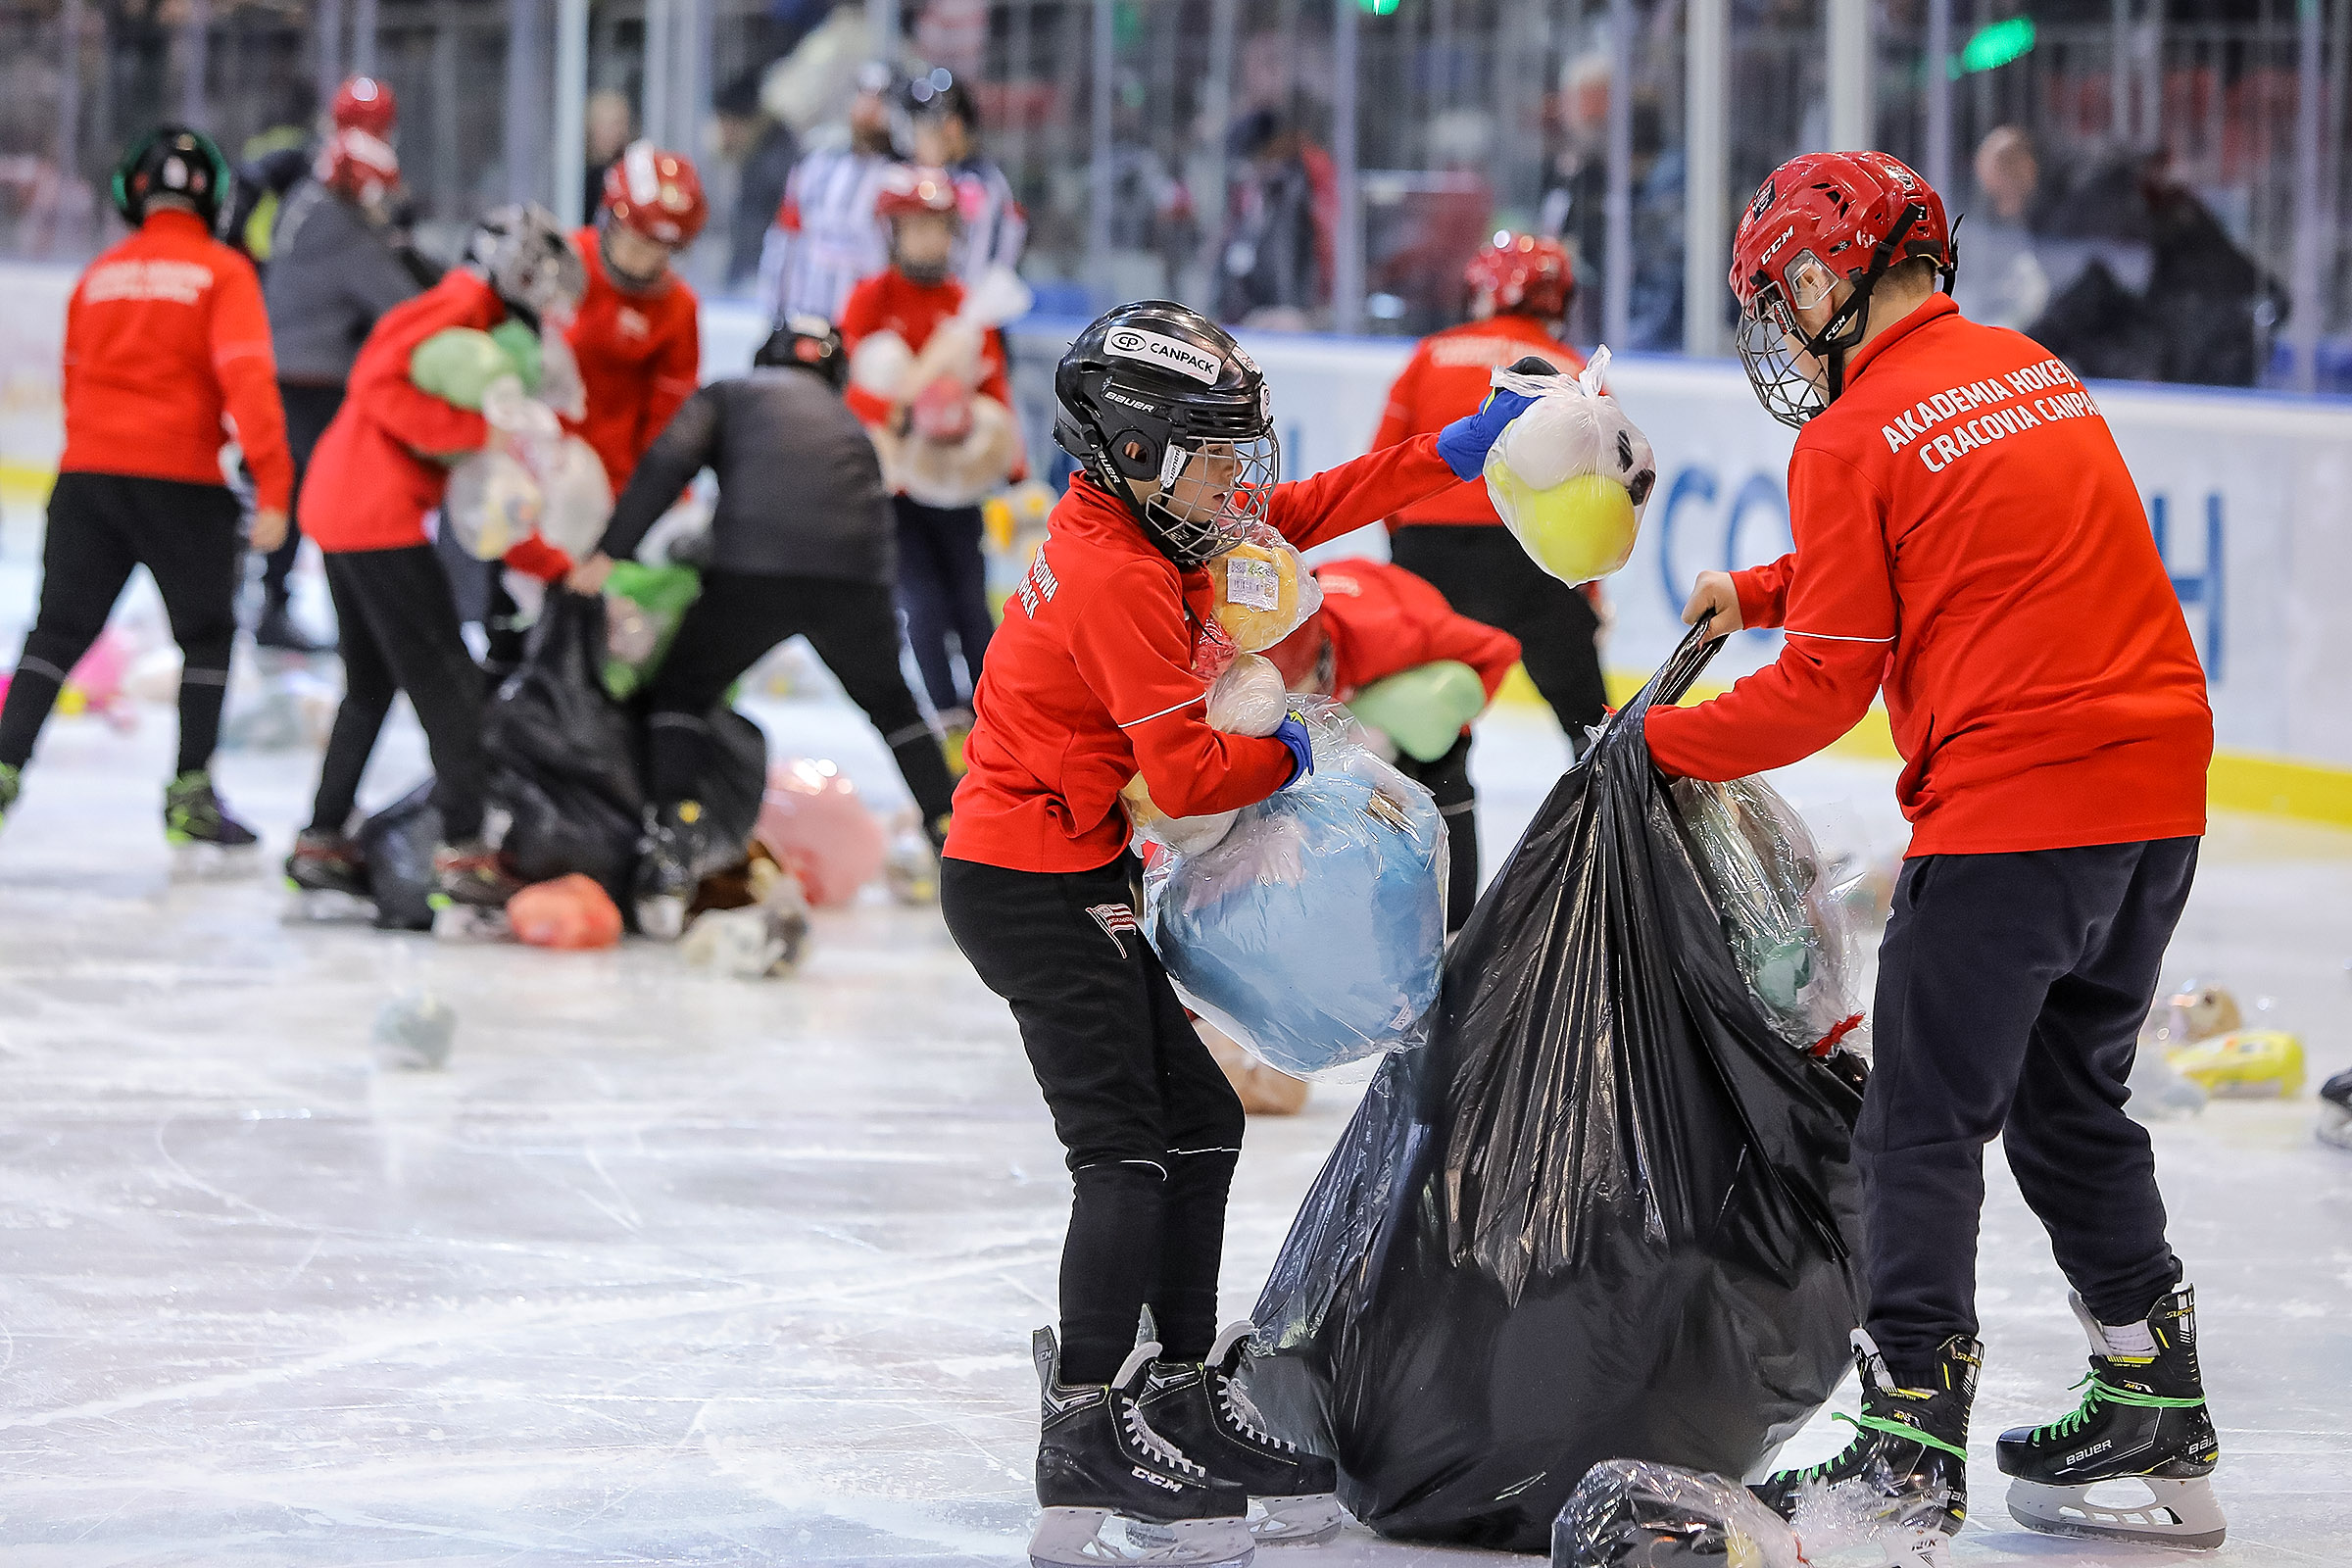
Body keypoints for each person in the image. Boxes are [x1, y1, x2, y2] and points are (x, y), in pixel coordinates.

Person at [1644, 152, 2223, 1552]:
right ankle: (2154, 1390)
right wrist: (1765, 589)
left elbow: (1825, 692)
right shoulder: (2028, 367)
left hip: (2018, 811)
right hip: (2156, 798)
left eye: (1780, 298)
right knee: (2071, 1101)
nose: (1780, 328)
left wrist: (1649, 746)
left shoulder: (1846, 436)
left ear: (1823, 276)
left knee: (1918, 1121)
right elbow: (1957, 545)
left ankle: (1904, 1442)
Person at [938, 300, 1539, 1567]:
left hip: (1066, 862)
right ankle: (1088, 1418)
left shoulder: (1149, 526)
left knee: (1201, 1122)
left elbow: (1313, 505)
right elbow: (1195, 775)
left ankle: (1175, 1395)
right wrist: (1304, 741)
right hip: (1030, 884)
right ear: (1141, 451)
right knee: (1124, 1153)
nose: (1240, 478)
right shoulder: (1118, 575)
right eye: (1215, 454)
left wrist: (1457, 449)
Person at [564, 318, 960, 936]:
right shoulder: (846, 419)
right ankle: (955, 845)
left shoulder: (730, 393)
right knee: (893, 708)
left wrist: (607, 553)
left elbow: (667, 465)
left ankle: (673, 844)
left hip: (753, 568)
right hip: (858, 577)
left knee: (680, 696)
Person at [284, 206, 587, 909]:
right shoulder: (459, 306)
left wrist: (546, 559)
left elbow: (489, 500)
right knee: (448, 681)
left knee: (369, 685)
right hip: (374, 515)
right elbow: (379, 383)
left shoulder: (470, 316)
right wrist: (477, 429)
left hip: (345, 508)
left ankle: (322, 837)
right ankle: (465, 851)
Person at [0, 126, 291, 855]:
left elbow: (71, 385)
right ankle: (191, 794)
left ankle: (3, 771)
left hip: (86, 479)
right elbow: (248, 382)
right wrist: (277, 486)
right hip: (183, 483)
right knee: (207, 635)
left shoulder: (97, 275)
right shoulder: (223, 274)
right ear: (216, 198)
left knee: (56, 633)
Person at [1379, 233, 1608, 751]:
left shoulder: (1430, 355)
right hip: (1534, 560)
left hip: (1429, 553)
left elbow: (1385, 472)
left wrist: (1408, 558)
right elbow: (1602, 499)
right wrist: (1588, 590)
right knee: (1594, 728)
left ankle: (1435, 827)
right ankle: (1608, 828)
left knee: (1426, 731)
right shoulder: (1578, 372)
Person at [838, 166, 1017, 743]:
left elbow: (993, 387)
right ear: (892, 233)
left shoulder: (962, 304)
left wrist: (1011, 464)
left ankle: (993, 710)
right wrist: (895, 410)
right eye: (916, 229)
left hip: (954, 476)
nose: (929, 242)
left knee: (971, 595)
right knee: (923, 600)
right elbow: (848, 385)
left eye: (939, 229)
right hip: (897, 482)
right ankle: (944, 715)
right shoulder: (870, 299)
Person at [1261, 558, 1520, 931]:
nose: (1311, 702)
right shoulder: (1252, 637)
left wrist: (1444, 722)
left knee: (1444, 782)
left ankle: (1456, 928)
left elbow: (1499, 651)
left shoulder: (1396, 632)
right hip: (1354, 675)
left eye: (1315, 687)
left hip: (1410, 677)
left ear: (1325, 654)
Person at [261, 78, 426, 653]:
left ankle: (273, 601)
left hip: (286, 368)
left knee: (296, 488)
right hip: (318, 375)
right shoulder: (346, 228)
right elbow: (404, 305)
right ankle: (353, 618)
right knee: (342, 496)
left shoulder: (305, 196)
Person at [564, 141, 707, 497]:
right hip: (538, 463)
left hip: (619, 482)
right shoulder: (561, 264)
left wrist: (665, 491)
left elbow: (670, 414)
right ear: (611, 218)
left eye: (663, 251)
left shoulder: (678, 307)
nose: (647, 261)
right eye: (640, 243)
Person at [759, 61, 899, 324]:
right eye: (862, 95)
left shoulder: (903, 177)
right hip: (807, 320)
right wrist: (775, 312)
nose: (868, 109)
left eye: (880, 99)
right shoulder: (816, 167)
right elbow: (785, 239)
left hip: (871, 328)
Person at [902, 69, 1026, 284]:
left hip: (968, 310)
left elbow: (968, 272)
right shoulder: (956, 175)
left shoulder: (978, 182)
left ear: (953, 127)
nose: (918, 140)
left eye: (927, 129)